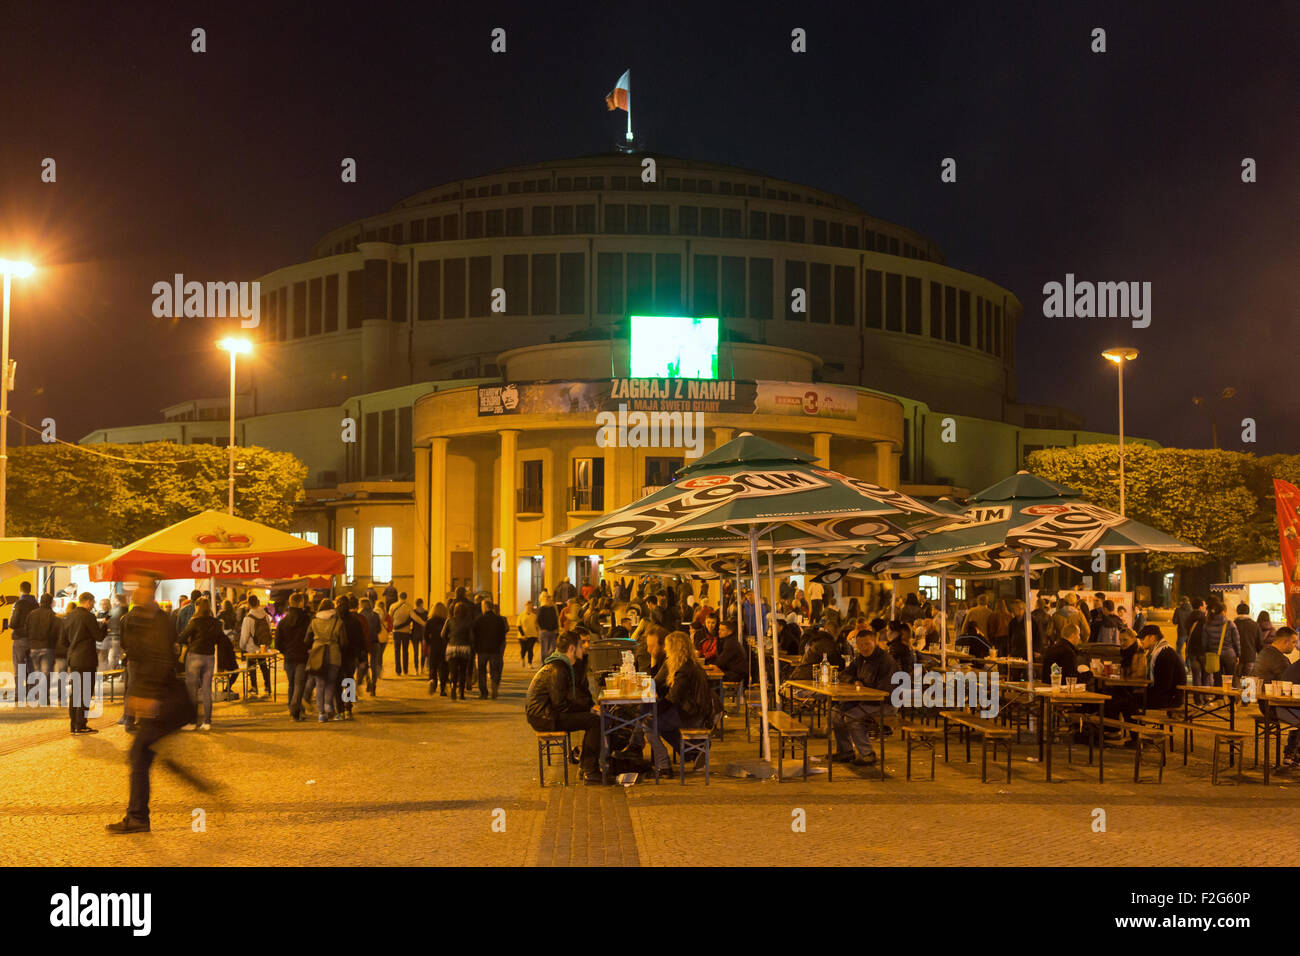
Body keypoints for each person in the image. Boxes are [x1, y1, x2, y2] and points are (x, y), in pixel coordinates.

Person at [107, 575, 190, 834]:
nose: (134, 592)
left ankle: (138, 817)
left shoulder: (159, 622)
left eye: (139, 587)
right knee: (143, 753)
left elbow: (161, 660)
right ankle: (139, 815)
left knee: (139, 754)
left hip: (165, 702)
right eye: (133, 588)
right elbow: (137, 655)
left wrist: (148, 696)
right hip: (161, 701)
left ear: (149, 590)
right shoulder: (140, 619)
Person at [525, 630, 603, 782]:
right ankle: (590, 770)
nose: (585, 648)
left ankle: (587, 766)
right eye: (581, 645)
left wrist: (590, 707)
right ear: (572, 649)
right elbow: (560, 704)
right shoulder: (558, 669)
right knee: (594, 721)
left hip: (548, 713)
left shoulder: (563, 665)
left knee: (593, 717)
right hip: (544, 717)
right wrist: (588, 709)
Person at [831, 628, 897, 767]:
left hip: (885, 704)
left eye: (867, 644)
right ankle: (846, 751)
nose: (864, 648)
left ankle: (867, 754)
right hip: (864, 700)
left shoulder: (886, 661)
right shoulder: (861, 659)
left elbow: (884, 691)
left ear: (875, 642)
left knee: (852, 716)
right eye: (860, 645)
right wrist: (853, 681)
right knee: (836, 712)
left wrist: (862, 690)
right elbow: (844, 674)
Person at [653, 630, 714, 772]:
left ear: (674, 649)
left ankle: (664, 765)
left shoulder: (684, 670)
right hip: (694, 710)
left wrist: (653, 710)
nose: (665, 650)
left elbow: (673, 698)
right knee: (657, 722)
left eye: (668, 647)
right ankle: (691, 751)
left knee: (648, 723)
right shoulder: (690, 664)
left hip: (692, 714)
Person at [179, 598, 224, 730]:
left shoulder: (195, 621)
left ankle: (192, 722)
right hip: (209, 657)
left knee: (192, 690)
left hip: (195, 655)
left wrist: (188, 642)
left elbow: (182, 637)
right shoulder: (215, 622)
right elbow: (220, 639)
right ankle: (207, 722)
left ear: (198, 607)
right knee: (206, 690)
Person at [61, 592, 101, 735]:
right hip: (87, 659)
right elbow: (99, 637)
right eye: (93, 602)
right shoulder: (89, 617)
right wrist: (104, 626)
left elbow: (63, 641)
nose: (93, 605)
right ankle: (81, 725)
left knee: (75, 692)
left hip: (74, 659)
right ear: (88, 602)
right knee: (85, 692)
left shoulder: (69, 616)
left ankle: (73, 725)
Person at [274, 592, 312, 721]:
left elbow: (278, 642)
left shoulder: (284, 622)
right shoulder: (307, 620)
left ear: (290, 603)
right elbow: (311, 638)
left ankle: (293, 709)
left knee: (292, 684)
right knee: (299, 684)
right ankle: (295, 710)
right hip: (302, 656)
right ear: (301, 603)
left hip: (289, 657)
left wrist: (285, 650)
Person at [307, 598, 344, 722]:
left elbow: (307, 639)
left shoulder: (314, 621)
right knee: (330, 683)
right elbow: (343, 640)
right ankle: (328, 704)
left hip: (317, 653)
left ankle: (321, 714)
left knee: (319, 684)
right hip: (334, 653)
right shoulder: (338, 621)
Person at [1139, 623, 1186, 711]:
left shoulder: (1165, 654)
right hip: (1165, 695)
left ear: (1152, 638)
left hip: (1170, 699)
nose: (1141, 641)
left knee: (1127, 701)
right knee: (1126, 698)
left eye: (1142, 638)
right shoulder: (1157, 652)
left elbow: (1164, 685)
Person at [25, 593, 61, 702]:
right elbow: (56, 632)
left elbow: (26, 628)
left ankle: (37, 695)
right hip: (47, 646)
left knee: (36, 671)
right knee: (46, 672)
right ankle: (44, 696)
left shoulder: (32, 614)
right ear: (50, 602)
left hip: (33, 647)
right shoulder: (52, 615)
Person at [238, 594, 274, 699]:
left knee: (252, 667)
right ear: (258, 603)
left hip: (251, 648)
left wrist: (242, 646)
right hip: (262, 647)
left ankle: (254, 687)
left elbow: (244, 636)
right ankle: (268, 686)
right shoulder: (266, 616)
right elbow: (269, 630)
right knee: (264, 666)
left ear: (248, 604)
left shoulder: (248, 618)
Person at [473, 599, 508, 699]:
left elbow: (475, 634)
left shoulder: (479, 620)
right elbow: (503, 634)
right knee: (494, 670)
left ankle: (483, 692)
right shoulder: (499, 619)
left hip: (482, 649)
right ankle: (494, 685)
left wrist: (476, 646)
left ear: (484, 607)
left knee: (482, 671)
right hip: (495, 649)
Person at [442, 600, 474, 700]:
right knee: (463, 671)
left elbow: (443, 634)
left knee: (453, 671)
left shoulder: (449, 620)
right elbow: (471, 636)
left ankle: (453, 689)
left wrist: (449, 640)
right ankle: (461, 693)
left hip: (452, 648)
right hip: (464, 648)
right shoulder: (469, 621)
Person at [360, 598, 384, 695]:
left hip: (364, 643)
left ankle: (368, 680)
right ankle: (373, 684)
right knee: (374, 664)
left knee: (364, 663)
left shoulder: (360, 615)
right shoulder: (375, 615)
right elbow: (379, 629)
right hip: (374, 641)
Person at [426, 601, 450, 695]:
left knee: (433, 666)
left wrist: (429, 643)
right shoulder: (446, 621)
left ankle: (432, 680)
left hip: (434, 646)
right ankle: (443, 688)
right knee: (444, 667)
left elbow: (425, 635)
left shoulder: (430, 621)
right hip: (444, 647)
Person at [389, 591, 414, 676]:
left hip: (396, 631)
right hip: (406, 631)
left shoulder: (393, 606)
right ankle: (406, 670)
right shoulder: (409, 606)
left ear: (398, 597)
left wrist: (393, 626)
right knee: (405, 651)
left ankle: (398, 670)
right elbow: (412, 617)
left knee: (397, 651)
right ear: (406, 597)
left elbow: (390, 618)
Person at [1234, 602, 1261, 678]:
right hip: (1250, 657)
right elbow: (1259, 643)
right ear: (1248, 612)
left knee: (1237, 680)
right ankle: (1245, 689)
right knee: (1247, 680)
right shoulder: (1255, 625)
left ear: (1237, 611)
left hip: (1237, 658)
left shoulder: (1233, 624)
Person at [536, 593, 560, 661]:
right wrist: (542, 628)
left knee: (553, 648)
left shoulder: (552, 609)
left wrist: (556, 628)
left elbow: (555, 619)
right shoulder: (542, 609)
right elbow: (539, 620)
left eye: (551, 600)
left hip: (552, 631)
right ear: (546, 600)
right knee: (544, 649)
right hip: (544, 632)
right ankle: (544, 663)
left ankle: (549, 660)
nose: (550, 602)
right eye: (548, 600)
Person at [517, 600, 539, 666]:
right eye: (528, 605)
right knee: (523, 649)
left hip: (532, 635)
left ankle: (530, 662)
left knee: (530, 649)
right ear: (525, 606)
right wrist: (523, 635)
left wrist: (537, 635)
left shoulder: (534, 616)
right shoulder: (521, 615)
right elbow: (519, 625)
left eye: (530, 606)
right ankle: (522, 658)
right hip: (522, 636)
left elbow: (536, 625)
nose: (529, 607)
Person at [411, 598, 428, 675]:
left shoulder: (413, 612)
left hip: (415, 633)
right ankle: (422, 668)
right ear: (422, 603)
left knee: (415, 652)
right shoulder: (426, 612)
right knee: (423, 652)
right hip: (423, 633)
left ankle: (416, 669)